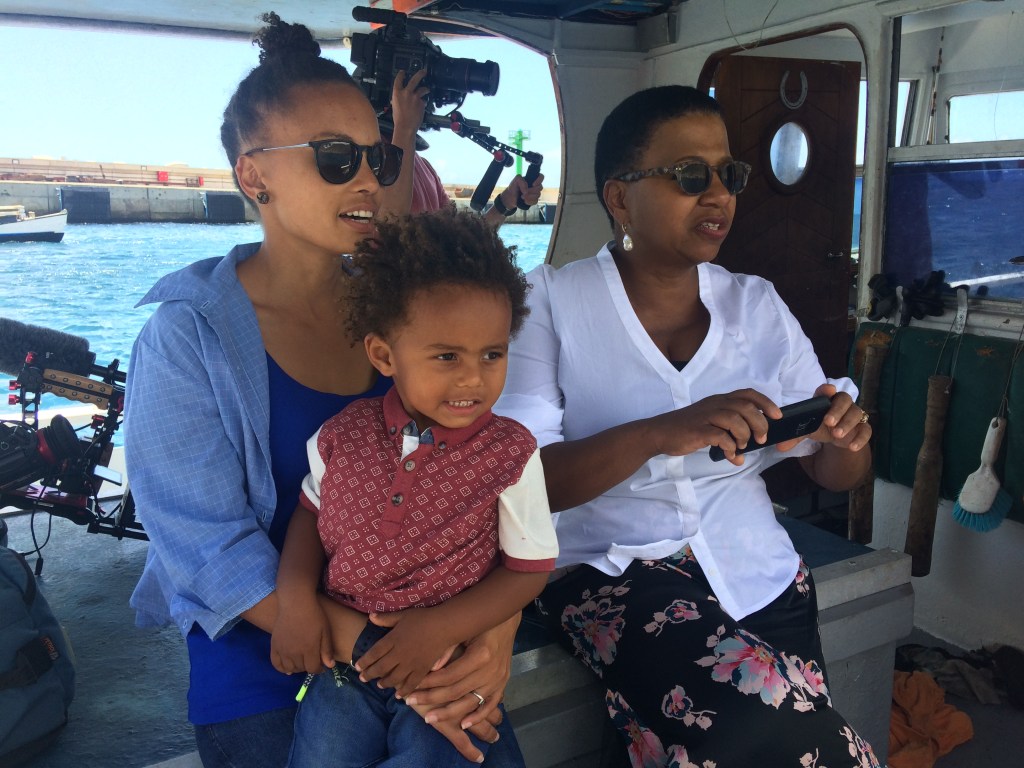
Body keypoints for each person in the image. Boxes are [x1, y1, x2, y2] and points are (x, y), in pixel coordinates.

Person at [124, 13, 529, 768]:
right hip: (273, 655)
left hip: (428, 629)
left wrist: (490, 632)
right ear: (254, 176)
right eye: (335, 159)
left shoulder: (401, 313)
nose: (371, 179)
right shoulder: (189, 339)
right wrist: (383, 646)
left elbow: (484, 477)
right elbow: (206, 549)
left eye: (377, 155)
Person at [494, 85, 881, 767]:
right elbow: (522, 485)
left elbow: (832, 470)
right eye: (689, 176)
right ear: (620, 197)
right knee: (794, 745)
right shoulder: (548, 301)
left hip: (758, 572)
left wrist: (846, 440)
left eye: (728, 175)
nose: (719, 196)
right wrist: (659, 432)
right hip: (612, 570)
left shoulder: (755, 303)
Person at [272, 207, 558, 767]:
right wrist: (295, 602)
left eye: (492, 354)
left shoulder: (510, 453)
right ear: (384, 355)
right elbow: (309, 517)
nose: (473, 378)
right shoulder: (342, 436)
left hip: (444, 668)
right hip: (341, 669)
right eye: (447, 356)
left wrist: (436, 630)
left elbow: (530, 569)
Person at [380, 67, 544, 223]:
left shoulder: (425, 168)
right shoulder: (366, 160)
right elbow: (387, 232)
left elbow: (458, 242)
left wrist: (505, 202)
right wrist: (405, 128)